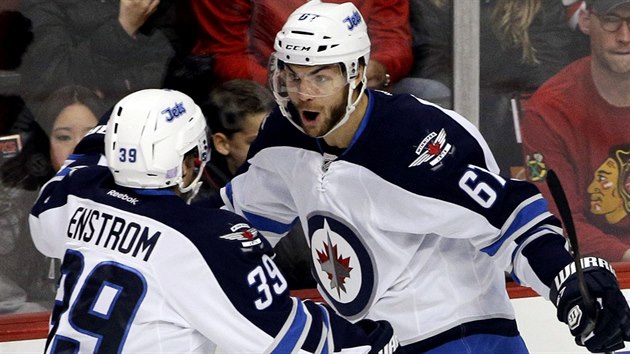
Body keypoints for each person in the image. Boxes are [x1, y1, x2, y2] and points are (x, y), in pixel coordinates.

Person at [219, 1, 630, 352]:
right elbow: (240, 222)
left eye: (320, 77)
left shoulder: (417, 141)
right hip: (373, 342)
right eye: (292, 76)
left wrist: (567, 281)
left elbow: (511, 220)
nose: (302, 92)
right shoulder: (284, 136)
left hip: (461, 338)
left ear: (357, 73)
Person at [28, 88, 402, 353]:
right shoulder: (205, 239)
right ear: (193, 160)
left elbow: (75, 174)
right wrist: (369, 339)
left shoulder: (74, 195)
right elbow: (286, 336)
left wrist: (117, 128)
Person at [409, 0, 589, 172]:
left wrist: (492, 73)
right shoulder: (432, 4)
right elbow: (432, 62)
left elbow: (548, 66)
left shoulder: (538, 4)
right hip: (462, 106)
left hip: (515, 109)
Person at [520, 0, 630, 262]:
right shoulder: (548, 110)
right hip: (589, 272)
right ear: (585, 22)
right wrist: (625, 255)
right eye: (611, 19)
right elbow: (558, 218)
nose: (625, 37)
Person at [0, 85, 104, 314]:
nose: (79, 147)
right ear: (45, 144)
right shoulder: (15, 209)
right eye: (64, 137)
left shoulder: (138, 205)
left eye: (91, 136)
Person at [17, 0, 194, 115]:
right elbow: (59, 75)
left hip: (150, 112)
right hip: (73, 121)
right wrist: (124, 26)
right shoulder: (43, 5)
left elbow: (172, 60)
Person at [191, 0, 412, 92]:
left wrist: (380, 69)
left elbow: (392, 36)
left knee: (430, 93)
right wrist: (290, 85)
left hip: (356, 87)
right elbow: (226, 54)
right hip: (270, 92)